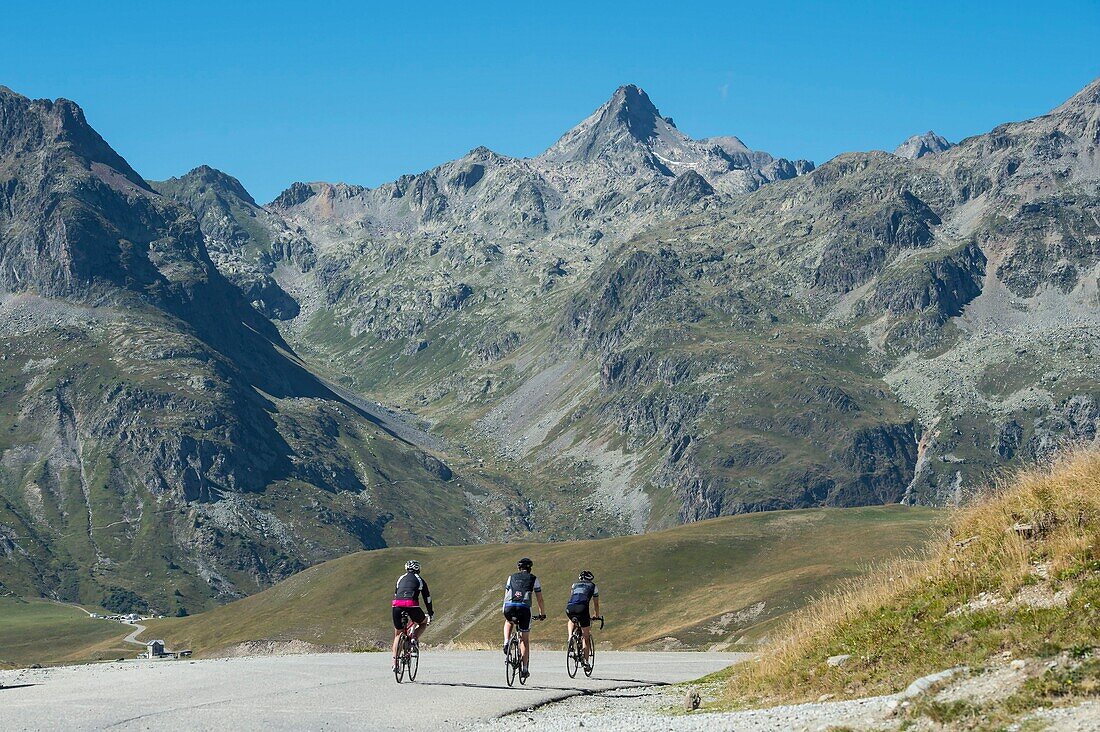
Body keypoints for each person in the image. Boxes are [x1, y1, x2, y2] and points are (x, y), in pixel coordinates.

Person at [502, 557, 545, 681]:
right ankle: (525, 669)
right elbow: (540, 599)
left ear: (518, 568)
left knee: (508, 621)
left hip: (509, 607)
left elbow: (507, 594)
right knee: (524, 640)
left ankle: (506, 642)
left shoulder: (511, 577)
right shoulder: (534, 578)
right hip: (524, 609)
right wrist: (542, 613)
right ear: (530, 568)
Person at [392, 559, 433, 671]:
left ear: (406, 568)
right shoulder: (420, 580)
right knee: (423, 623)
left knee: (397, 635)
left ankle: (395, 663)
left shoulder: (400, 578)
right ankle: (414, 638)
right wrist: (430, 613)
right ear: (418, 569)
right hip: (412, 606)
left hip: (397, 606)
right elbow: (427, 599)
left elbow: (397, 593)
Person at [565, 570, 601, 670]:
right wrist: (596, 615)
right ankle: (585, 662)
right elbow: (596, 604)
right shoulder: (593, 586)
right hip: (582, 608)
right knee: (586, 637)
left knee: (572, 620)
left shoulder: (574, 585)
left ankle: (570, 637)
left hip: (570, 608)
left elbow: (572, 596)